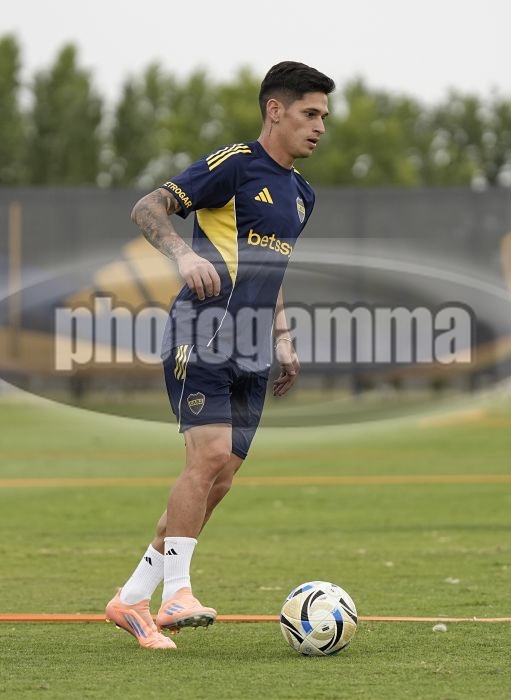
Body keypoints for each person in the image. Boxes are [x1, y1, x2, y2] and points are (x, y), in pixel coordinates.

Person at [105, 60, 335, 649]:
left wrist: (282, 336)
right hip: (203, 329)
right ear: (275, 110)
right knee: (206, 457)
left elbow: (271, 269)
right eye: (310, 113)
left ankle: (131, 599)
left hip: (254, 347)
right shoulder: (234, 163)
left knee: (220, 478)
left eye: (324, 117)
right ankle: (178, 593)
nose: (319, 127)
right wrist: (184, 255)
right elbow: (147, 207)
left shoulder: (302, 195)